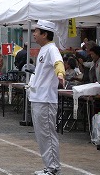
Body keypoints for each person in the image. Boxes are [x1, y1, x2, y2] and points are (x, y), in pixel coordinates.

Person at [29, 20, 65, 175]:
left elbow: (59, 63)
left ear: (44, 34)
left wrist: (60, 74)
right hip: (38, 98)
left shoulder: (51, 49)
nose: (34, 34)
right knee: (42, 135)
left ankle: (53, 168)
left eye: (36, 31)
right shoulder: (44, 49)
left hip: (45, 99)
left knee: (48, 135)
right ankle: (49, 166)